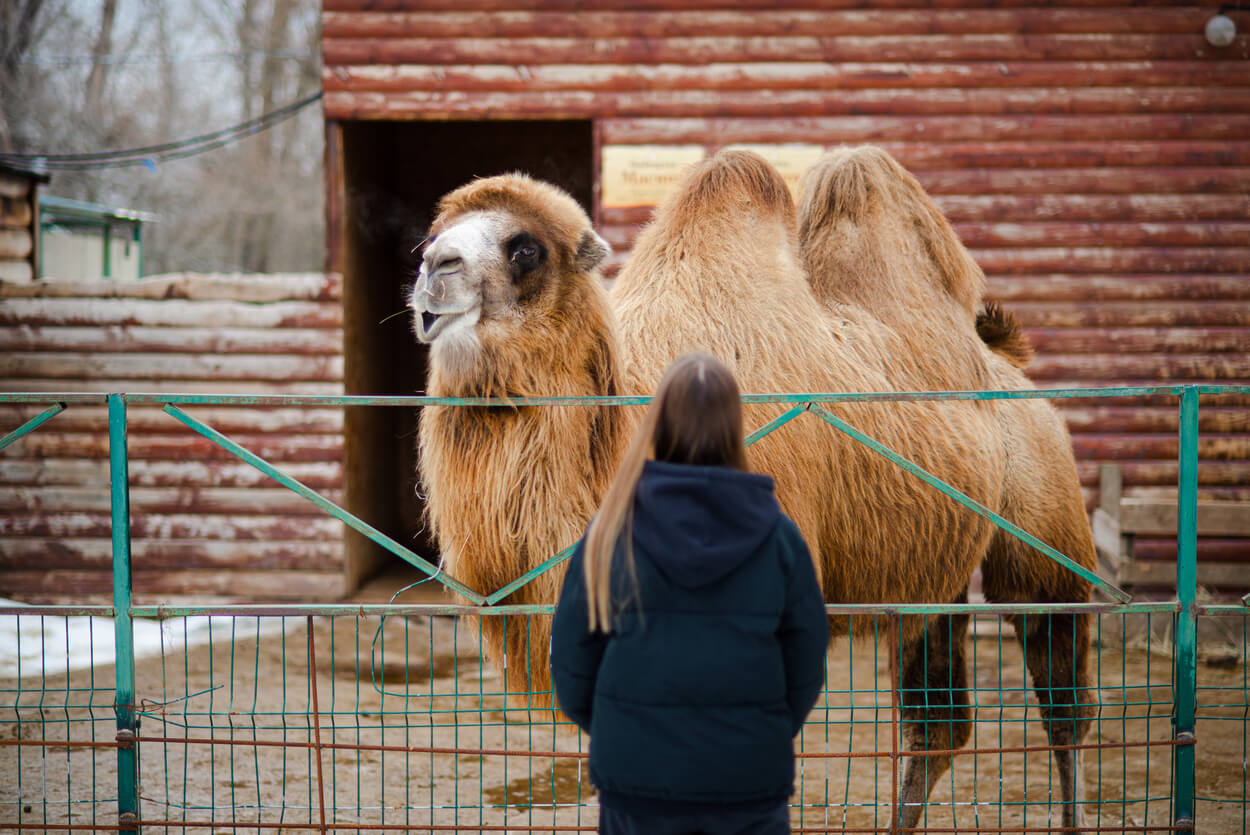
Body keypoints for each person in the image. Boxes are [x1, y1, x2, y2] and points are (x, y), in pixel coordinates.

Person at [550, 352, 829, 835]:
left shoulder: (610, 532)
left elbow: (573, 664)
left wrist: (624, 728)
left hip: (637, 784)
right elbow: (805, 663)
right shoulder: (780, 538)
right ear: (734, 425)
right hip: (747, 783)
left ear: (658, 422)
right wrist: (761, 730)